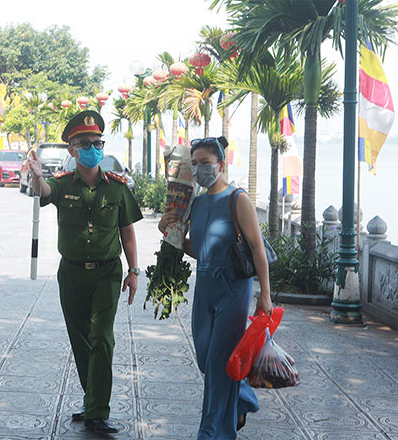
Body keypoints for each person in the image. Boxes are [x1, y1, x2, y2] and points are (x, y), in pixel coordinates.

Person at [27, 110, 142, 434]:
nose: (93, 147)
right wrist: (36, 176)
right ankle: (92, 399)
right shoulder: (63, 185)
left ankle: (97, 411)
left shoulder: (118, 187)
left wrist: (134, 271)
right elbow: (43, 194)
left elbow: (128, 233)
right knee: (80, 339)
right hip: (72, 273)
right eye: (85, 143)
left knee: (102, 338)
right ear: (72, 150)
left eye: (97, 142)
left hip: (107, 273)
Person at [158, 136, 273, 440]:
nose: (199, 170)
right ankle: (242, 398)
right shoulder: (198, 203)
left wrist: (266, 293)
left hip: (234, 289)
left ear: (221, 165)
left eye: (206, 163)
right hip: (205, 285)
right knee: (206, 357)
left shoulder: (238, 199)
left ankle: (212, 432)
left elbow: (257, 249)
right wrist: (167, 230)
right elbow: (197, 248)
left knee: (219, 364)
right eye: (194, 164)